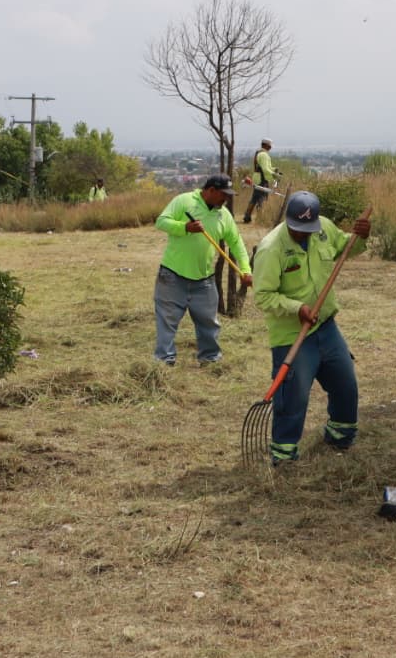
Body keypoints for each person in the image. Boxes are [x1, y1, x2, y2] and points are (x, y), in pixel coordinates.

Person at [253, 191, 371, 465]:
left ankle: (340, 436)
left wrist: (361, 237)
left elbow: (346, 248)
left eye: (307, 229)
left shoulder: (323, 229)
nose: (302, 234)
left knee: (345, 384)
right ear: (287, 220)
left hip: (326, 326)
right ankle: (284, 454)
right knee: (293, 397)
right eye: (296, 228)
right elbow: (263, 296)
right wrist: (298, 309)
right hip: (292, 334)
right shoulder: (271, 249)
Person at [152, 174, 253, 366]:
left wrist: (245, 270)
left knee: (208, 322)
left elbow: (236, 243)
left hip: (204, 280)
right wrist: (185, 227)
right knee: (167, 321)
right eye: (223, 194)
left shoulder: (224, 215)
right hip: (172, 276)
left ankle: (210, 359)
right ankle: (164, 361)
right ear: (211, 190)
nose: (226, 199)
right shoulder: (184, 201)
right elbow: (161, 222)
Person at [242, 138, 277, 223]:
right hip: (262, 179)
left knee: (254, 198)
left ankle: (247, 216)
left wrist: (274, 169)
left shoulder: (259, 153)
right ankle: (260, 218)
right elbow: (265, 169)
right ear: (266, 145)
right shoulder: (264, 155)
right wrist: (275, 175)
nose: (270, 147)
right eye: (270, 146)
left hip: (257, 178)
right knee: (262, 198)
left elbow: (266, 168)